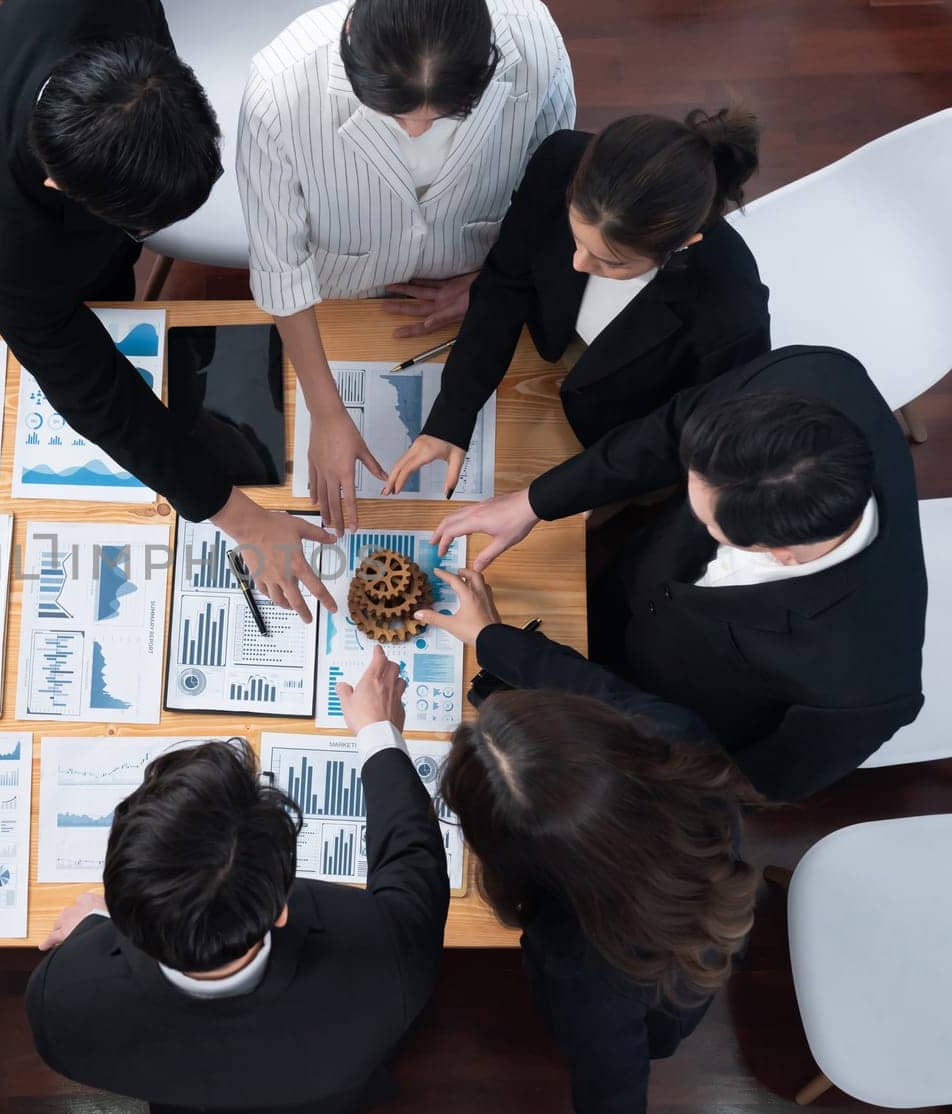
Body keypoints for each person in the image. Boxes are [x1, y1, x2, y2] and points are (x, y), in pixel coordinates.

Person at [0, 0, 333, 621]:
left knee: (115, 286)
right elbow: (94, 392)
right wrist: (239, 515)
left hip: (95, 153)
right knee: (77, 319)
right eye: (144, 225)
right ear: (66, 191)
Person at [430, 346, 927, 800]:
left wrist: (500, 643)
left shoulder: (859, 691)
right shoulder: (814, 376)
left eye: (707, 520)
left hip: (652, 710)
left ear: (780, 553)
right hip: (629, 592)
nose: (687, 508)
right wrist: (533, 502)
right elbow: (671, 430)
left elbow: (726, 771)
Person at [25, 653, 450, 1113]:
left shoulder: (61, 1000)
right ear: (282, 908)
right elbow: (412, 861)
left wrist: (92, 925)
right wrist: (378, 732)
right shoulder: (388, 961)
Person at [413, 562, 758, 1114]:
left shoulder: (587, 970)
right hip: (700, 926)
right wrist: (490, 639)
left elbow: (613, 1091)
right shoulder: (674, 737)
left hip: (662, 1002)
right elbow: (590, 683)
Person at [238, 0, 574, 532]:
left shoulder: (537, 49)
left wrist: (489, 282)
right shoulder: (278, 87)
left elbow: (552, 194)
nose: (416, 132)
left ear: (487, 61)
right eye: (393, 113)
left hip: (479, 275)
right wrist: (327, 414)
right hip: (341, 287)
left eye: (443, 115)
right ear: (351, 40)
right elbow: (279, 264)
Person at [384, 108, 770, 496]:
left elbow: (686, 431)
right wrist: (450, 419)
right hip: (549, 357)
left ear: (682, 246)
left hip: (622, 434)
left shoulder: (733, 312)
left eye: (611, 261)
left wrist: (548, 497)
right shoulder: (561, 160)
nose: (578, 263)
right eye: (576, 237)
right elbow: (506, 282)